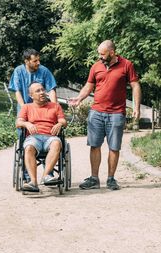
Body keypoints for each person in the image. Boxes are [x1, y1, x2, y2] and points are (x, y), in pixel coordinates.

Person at [69, 40, 141, 190]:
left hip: (116, 113)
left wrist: (136, 106)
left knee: (114, 147)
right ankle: (94, 179)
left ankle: (111, 179)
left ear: (112, 52)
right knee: (94, 145)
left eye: (102, 54)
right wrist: (79, 98)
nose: (100, 56)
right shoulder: (96, 66)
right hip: (96, 112)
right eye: (99, 54)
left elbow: (135, 85)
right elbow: (89, 86)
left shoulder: (127, 65)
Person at [9, 48, 57, 181]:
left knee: (51, 134)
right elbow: (17, 91)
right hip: (25, 105)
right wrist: (25, 108)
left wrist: (55, 108)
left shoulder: (44, 71)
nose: (38, 63)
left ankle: (49, 173)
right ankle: (27, 175)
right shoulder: (19, 71)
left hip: (43, 107)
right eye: (35, 61)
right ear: (27, 61)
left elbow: (51, 90)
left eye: (38, 60)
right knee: (23, 136)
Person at [16, 82, 67, 192]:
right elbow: (18, 122)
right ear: (31, 95)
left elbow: (63, 120)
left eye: (43, 90)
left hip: (50, 137)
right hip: (34, 138)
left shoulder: (55, 106)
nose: (42, 92)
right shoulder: (26, 107)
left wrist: (59, 124)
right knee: (28, 147)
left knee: (57, 143)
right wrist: (27, 124)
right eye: (38, 91)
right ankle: (33, 183)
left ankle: (46, 176)